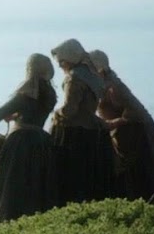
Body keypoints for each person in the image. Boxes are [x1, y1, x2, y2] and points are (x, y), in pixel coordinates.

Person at [0, 54, 60, 225]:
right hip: (41, 142)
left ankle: (6, 224)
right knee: (34, 188)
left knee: (10, 188)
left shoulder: (26, 91)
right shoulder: (50, 93)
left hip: (20, 144)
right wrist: (17, 115)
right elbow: (34, 113)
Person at [90, 49, 154, 204]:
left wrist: (114, 123)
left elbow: (135, 111)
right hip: (126, 135)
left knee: (139, 177)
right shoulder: (107, 83)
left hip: (133, 136)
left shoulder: (113, 88)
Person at [49, 38, 119, 204]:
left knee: (73, 181)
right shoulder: (92, 75)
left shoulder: (74, 78)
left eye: (62, 61)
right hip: (93, 133)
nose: (60, 66)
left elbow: (70, 109)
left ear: (70, 58)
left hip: (73, 135)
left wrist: (56, 114)